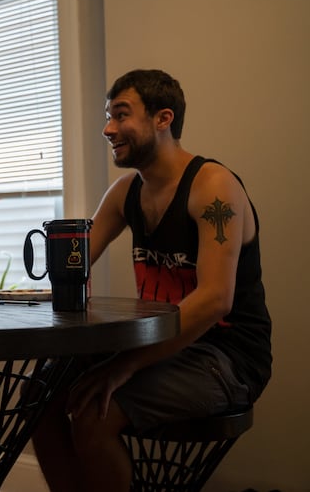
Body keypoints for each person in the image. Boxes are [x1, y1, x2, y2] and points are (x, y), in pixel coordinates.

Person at [31, 69, 272, 492]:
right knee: (41, 391)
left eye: (121, 115)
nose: (108, 128)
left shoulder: (214, 188)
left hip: (226, 357)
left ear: (163, 119)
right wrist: (44, 284)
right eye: (107, 116)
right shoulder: (126, 192)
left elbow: (216, 299)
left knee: (95, 412)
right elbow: (76, 260)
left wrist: (123, 365)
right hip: (156, 348)